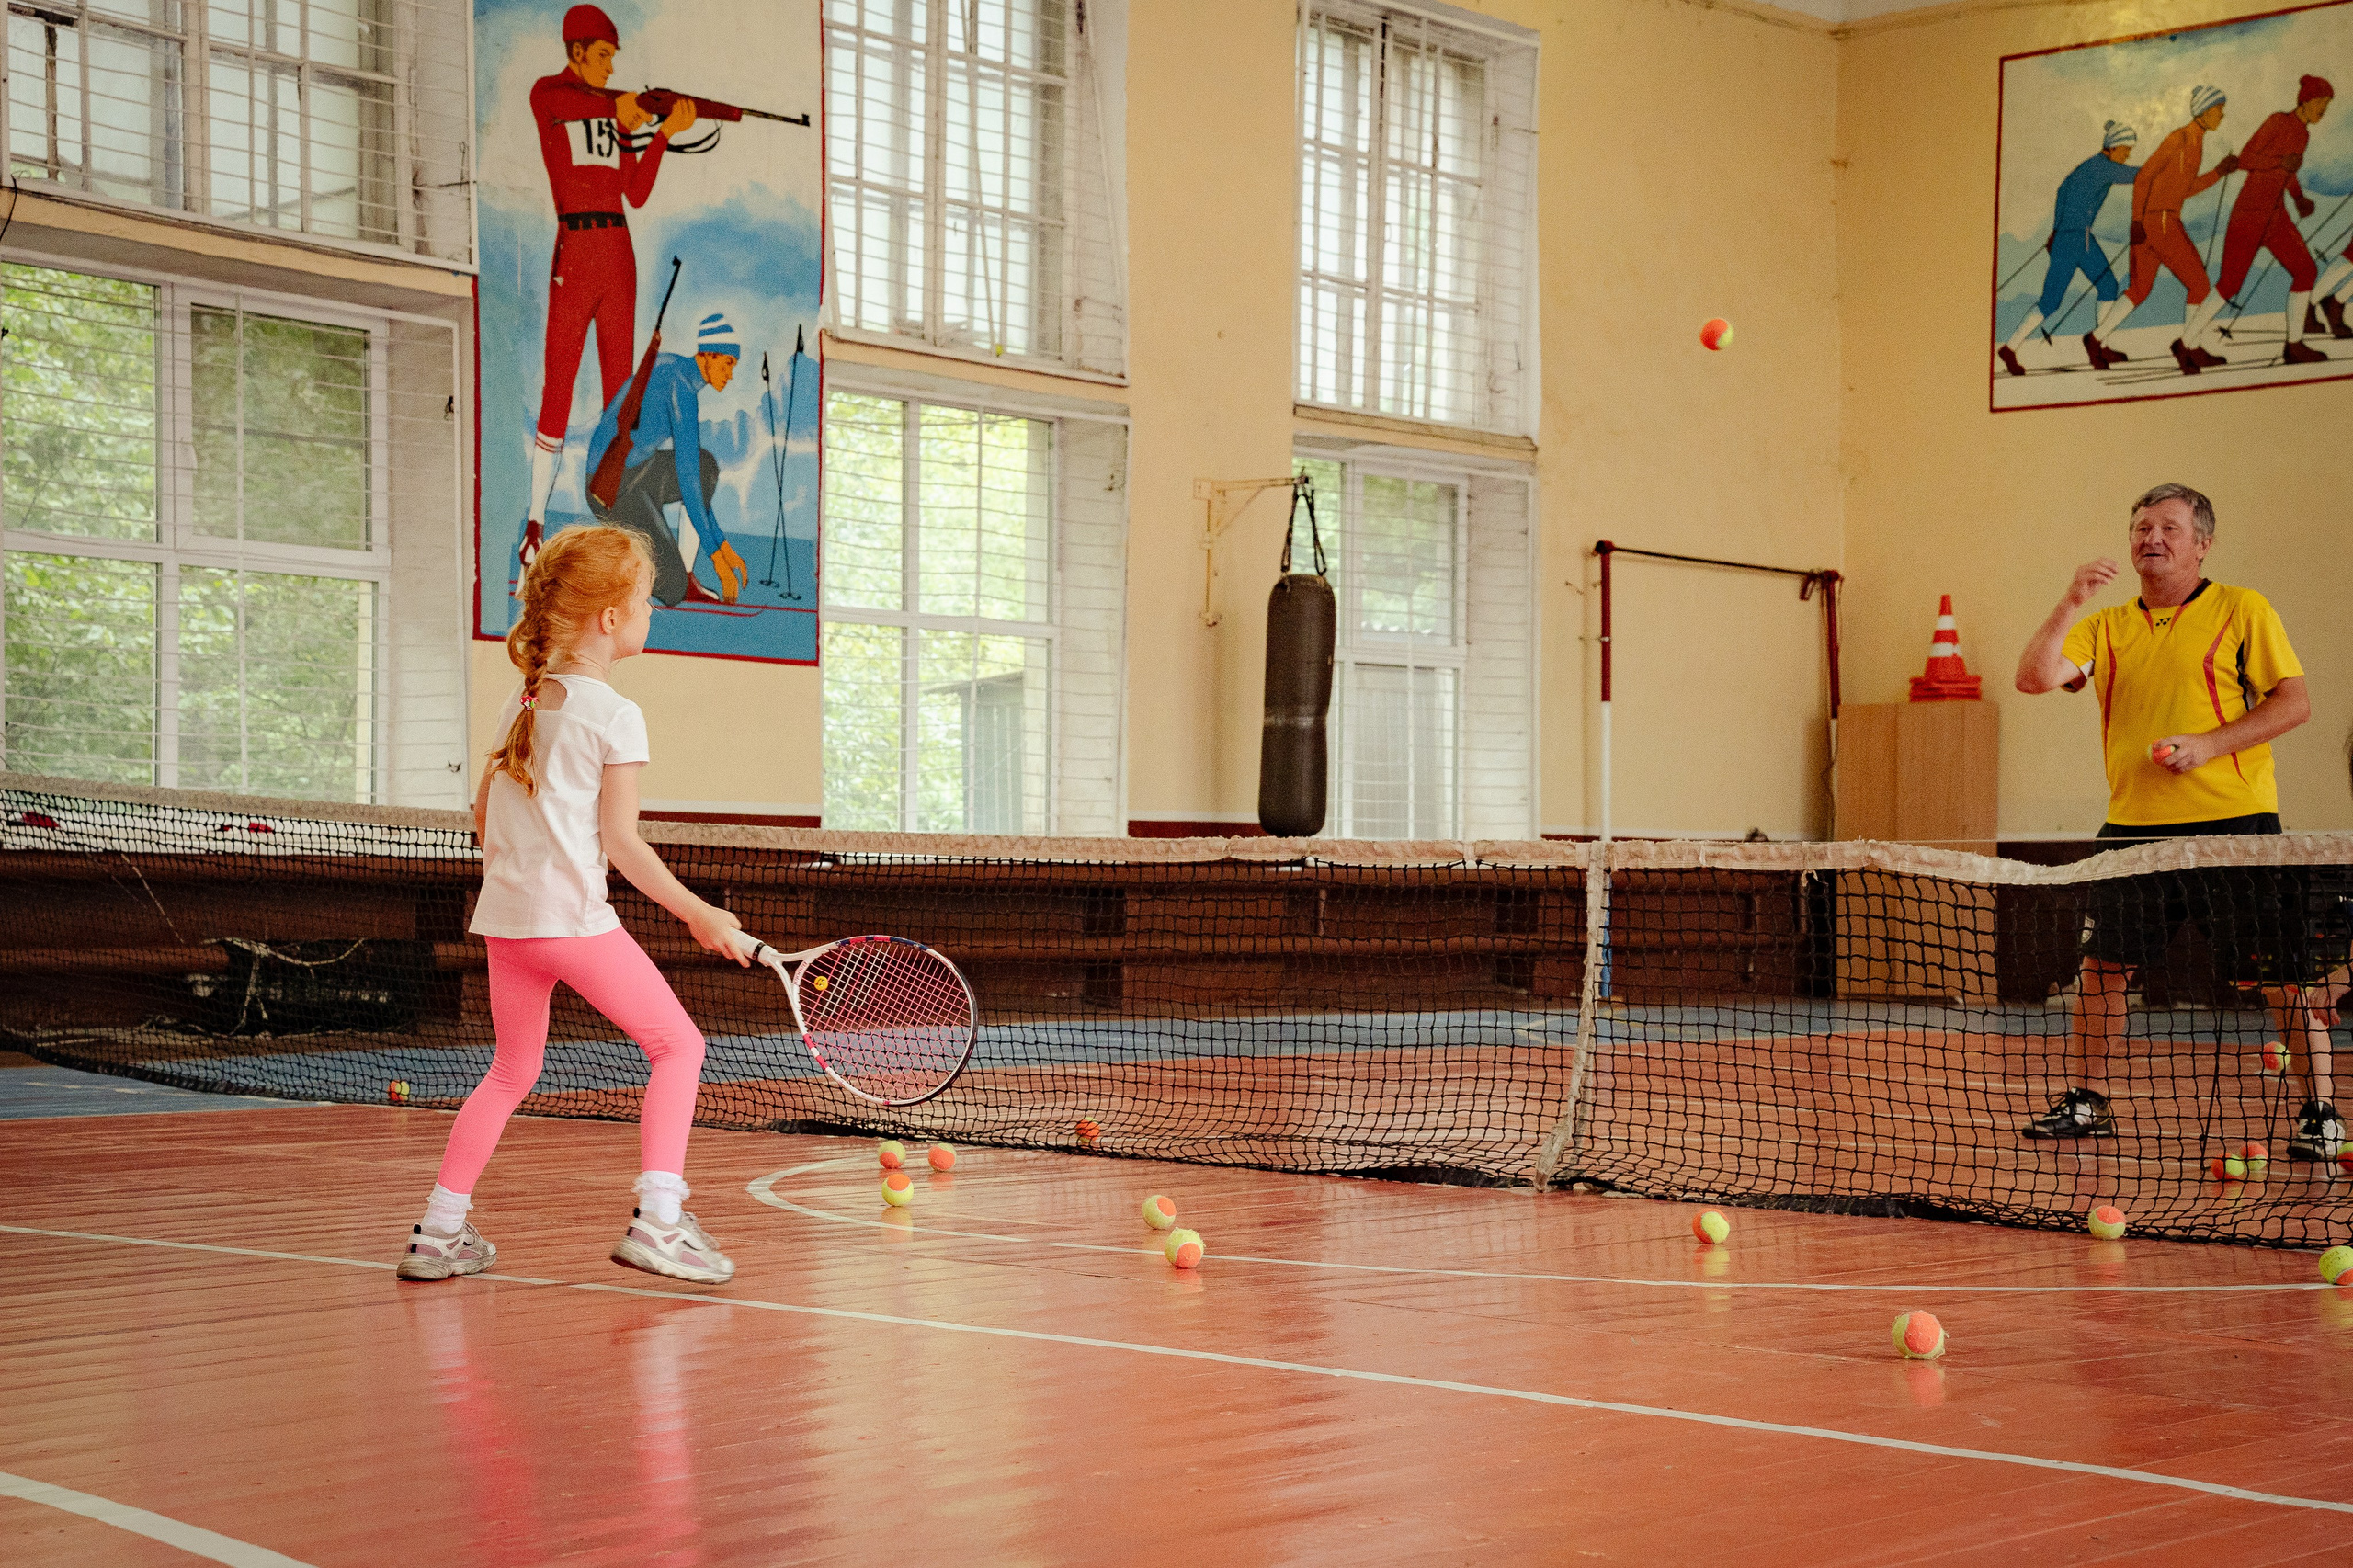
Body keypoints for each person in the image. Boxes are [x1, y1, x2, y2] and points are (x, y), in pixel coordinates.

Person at [398, 526, 745, 1285]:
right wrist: (700, 913)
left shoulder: (520, 705)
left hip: (507, 926)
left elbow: (483, 811)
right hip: (575, 925)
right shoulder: (614, 714)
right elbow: (622, 844)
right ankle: (659, 1221)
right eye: (646, 601)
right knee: (678, 1048)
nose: (652, 613)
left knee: (510, 1072)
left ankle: (439, 1233)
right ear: (611, 618)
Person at [2013, 483, 2339, 1161]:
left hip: (2236, 826)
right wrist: (2071, 600)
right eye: (2140, 527)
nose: (2150, 538)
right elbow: (2033, 678)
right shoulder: (2107, 626)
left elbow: (2296, 703)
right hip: (2133, 832)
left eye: (2167, 527)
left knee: (2283, 978)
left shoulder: (2241, 609)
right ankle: (2088, 1101)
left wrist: (2209, 745)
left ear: (2201, 543)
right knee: (2102, 970)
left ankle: (2320, 1113)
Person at [519, 5, 698, 571]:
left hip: (618, 253)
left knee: (621, 396)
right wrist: (618, 110)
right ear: (576, 52)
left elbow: (636, 192)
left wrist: (661, 135)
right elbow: (554, 99)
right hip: (576, 248)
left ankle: (616, 524)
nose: (608, 65)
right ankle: (533, 525)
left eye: (612, 58)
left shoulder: (614, 114)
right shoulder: (554, 96)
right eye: (601, 56)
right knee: (559, 385)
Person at [583, 311, 750, 607]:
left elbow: (694, 475)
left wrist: (723, 544)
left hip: (641, 470)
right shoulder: (680, 387)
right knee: (672, 590)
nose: (730, 375)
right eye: (727, 364)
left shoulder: (675, 368)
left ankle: (685, 572)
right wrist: (716, 556)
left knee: (706, 467)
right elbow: (687, 480)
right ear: (708, 355)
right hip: (610, 489)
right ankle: (619, 568)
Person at [2115, 87, 2241, 376]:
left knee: (2139, 289)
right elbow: (2144, 176)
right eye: (2219, 108)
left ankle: (2095, 341)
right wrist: (2136, 220)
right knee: (2199, 283)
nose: (2222, 113)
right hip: (2159, 221)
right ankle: (2188, 346)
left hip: (2156, 220)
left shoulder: (2196, 142)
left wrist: (2219, 172)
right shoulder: (2180, 138)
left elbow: (2185, 189)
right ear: (2204, 110)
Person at [1999, 121, 2141, 377]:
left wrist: (2055, 229)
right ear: (2114, 146)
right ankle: (2010, 349)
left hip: (2075, 237)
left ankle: (2101, 346)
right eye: (2126, 149)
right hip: (2075, 240)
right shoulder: (2103, 169)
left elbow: (2062, 191)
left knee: (2108, 286)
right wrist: (2167, 169)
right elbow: (2138, 176)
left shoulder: (2090, 166)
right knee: (2051, 301)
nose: (2128, 154)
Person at [2218, 76, 2333, 368]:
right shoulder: (2277, 122)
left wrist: (2298, 198)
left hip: (2275, 215)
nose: (2324, 110)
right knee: (2229, 285)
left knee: (2306, 269)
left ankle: (2294, 346)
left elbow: (2289, 171)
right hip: (2250, 212)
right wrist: (2278, 163)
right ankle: (2186, 342)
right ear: (2306, 101)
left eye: (2327, 105)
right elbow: (2245, 158)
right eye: (2321, 103)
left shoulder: (2303, 135)